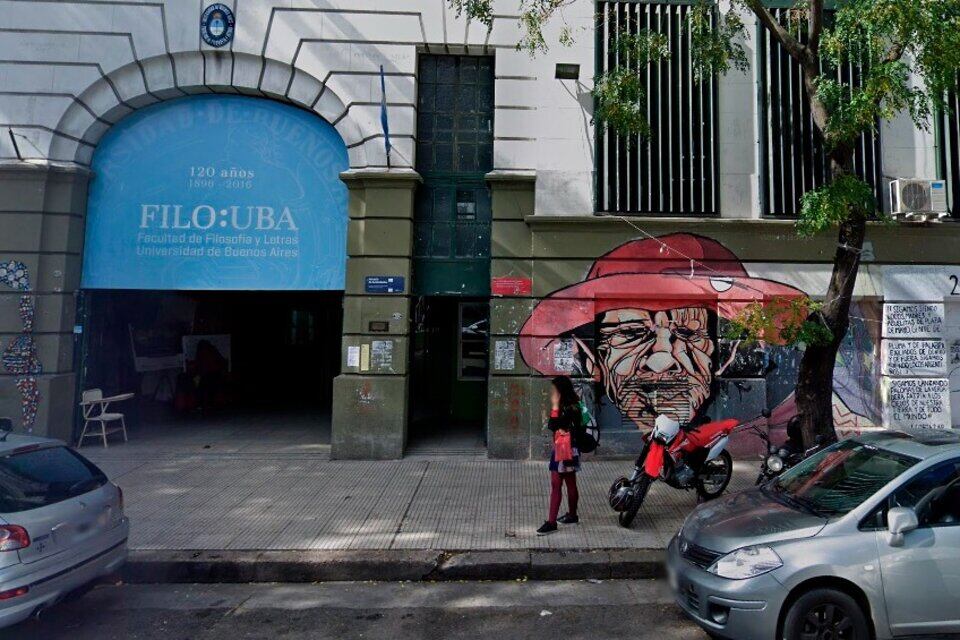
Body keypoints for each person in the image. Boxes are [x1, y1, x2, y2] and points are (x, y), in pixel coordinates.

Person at [537, 376, 586, 535]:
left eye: (554, 390)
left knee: (556, 484)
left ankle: (551, 522)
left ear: (560, 391)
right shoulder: (577, 405)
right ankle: (572, 515)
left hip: (562, 449)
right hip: (573, 449)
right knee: (571, 482)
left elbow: (553, 425)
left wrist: (555, 405)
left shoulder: (563, 408)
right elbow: (581, 425)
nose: (552, 393)